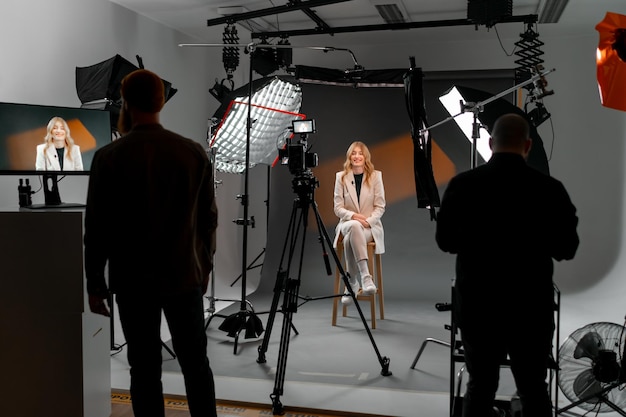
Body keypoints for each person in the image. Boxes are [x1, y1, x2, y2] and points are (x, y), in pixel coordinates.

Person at [84, 69, 219, 417]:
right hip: (185, 276)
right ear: (161, 101)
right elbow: (208, 220)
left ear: (125, 102)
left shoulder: (108, 157)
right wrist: (205, 266)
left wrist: (95, 284)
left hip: (133, 281)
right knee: (196, 366)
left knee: (143, 370)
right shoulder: (192, 153)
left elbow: (96, 228)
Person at [435, 113, 579, 417]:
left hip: (478, 304)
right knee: (533, 389)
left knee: (480, 385)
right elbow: (567, 249)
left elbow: (445, 241)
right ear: (527, 145)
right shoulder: (550, 189)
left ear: (490, 142)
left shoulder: (463, 185)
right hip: (530, 306)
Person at [333, 140, 385, 305]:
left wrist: (368, 221)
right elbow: (338, 208)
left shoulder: (376, 176)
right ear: (349, 156)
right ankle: (366, 277)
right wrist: (355, 216)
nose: (357, 156)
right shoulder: (340, 177)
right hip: (347, 224)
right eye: (353, 153)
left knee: (351, 238)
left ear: (365, 156)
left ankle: (351, 284)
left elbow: (380, 206)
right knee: (353, 227)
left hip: (369, 227)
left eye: (360, 153)